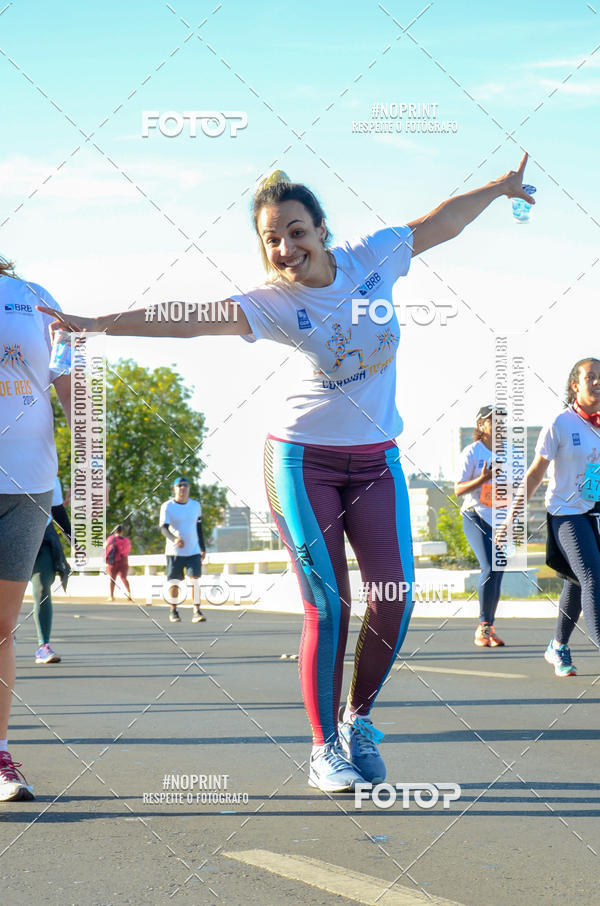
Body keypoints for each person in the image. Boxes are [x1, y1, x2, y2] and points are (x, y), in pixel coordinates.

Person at [38, 155, 535, 793]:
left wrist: (499, 188)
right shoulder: (274, 302)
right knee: (329, 603)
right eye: (271, 239)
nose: (284, 248)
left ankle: (358, 720)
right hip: (303, 461)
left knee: (395, 598)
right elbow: (186, 318)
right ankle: (324, 748)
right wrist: (96, 323)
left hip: (376, 460)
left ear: (321, 230)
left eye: (295, 232)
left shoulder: (373, 257)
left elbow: (440, 223)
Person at [0, 256, 71, 800]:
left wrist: (91, 461)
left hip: (28, 482)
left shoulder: (32, 295)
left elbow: (69, 382)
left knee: (2, 627)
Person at [502, 358, 600, 678]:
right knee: (592, 577)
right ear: (575, 385)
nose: (598, 382)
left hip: (595, 511)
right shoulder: (560, 423)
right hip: (566, 514)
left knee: (576, 580)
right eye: (591, 377)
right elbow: (535, 474)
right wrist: (511, 517)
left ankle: (558, 645)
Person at [455, 405, 506, 648]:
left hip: (500, 519)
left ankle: (489, 627)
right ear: (481, 426)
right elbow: (458, 489)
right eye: (494, 420)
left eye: (502, 421)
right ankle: (483, 626)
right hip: (475, 515)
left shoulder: (509, 453)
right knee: (488, 565)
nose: (500, 424)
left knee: (499, 568)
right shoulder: (472, 452)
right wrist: (483, 479)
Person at [31, 476, 71, 664]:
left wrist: (73, 540)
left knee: (42, 588)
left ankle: (43, 645)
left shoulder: (48, 473)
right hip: (8, 536)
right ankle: (7, 635)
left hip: (42, 538)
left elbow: (57, 509)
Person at [159, 477, 206, 623]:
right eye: (179, 485)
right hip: (175, 551)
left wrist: (203, 547)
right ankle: (173, 610)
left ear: (189, 488)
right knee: (175, 582)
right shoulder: (167, 506)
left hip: (193, 550)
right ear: (174, 489)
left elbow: (199, 527)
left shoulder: (195, 505)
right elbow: (163, 528)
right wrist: (174, 539)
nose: (183, 488)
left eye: (185, 485)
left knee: (195, 580)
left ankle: (196, 611)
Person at [104, 524, 132, 602]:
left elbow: (104, 546)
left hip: (112, 562)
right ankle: (129, 593)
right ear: (121, 532)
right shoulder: (126, 540)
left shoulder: (111, 538)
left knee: (112, 579)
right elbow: (128, 550)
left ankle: (111, 596)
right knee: (124, 578)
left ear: (114, 531)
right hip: (123, 561)